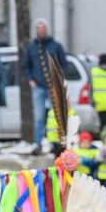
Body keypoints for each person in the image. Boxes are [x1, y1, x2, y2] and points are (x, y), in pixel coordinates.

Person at [22, 18, 68, 152]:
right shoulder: (32, 47)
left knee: (56, 116)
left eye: (43, 28)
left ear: (46, 29)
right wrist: (30, 79)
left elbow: (64, 64)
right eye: (39, 28)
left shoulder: (55, 46)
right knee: (39, 117)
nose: (41, 31)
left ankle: (57, 142)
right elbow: (26, 66)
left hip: (53, 87)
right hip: (38, 86)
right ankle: (38, 143)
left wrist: (59, 79)